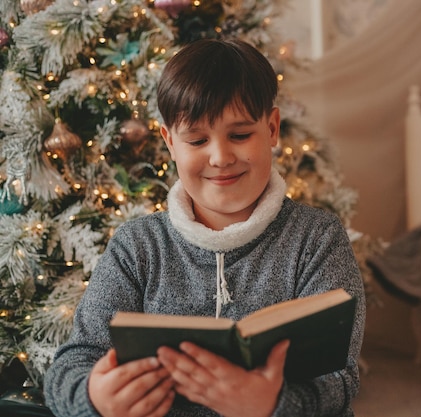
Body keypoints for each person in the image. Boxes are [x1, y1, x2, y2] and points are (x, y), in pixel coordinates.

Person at [44, 38, 365, 417]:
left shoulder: (317, 238)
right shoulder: (138, 246)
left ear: (273, 129)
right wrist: (95, 396)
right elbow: (72, 363)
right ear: (170, 142)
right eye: (197, 140)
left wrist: (273, 405)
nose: (220, 157)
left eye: (240, 135)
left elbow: (341, 377)